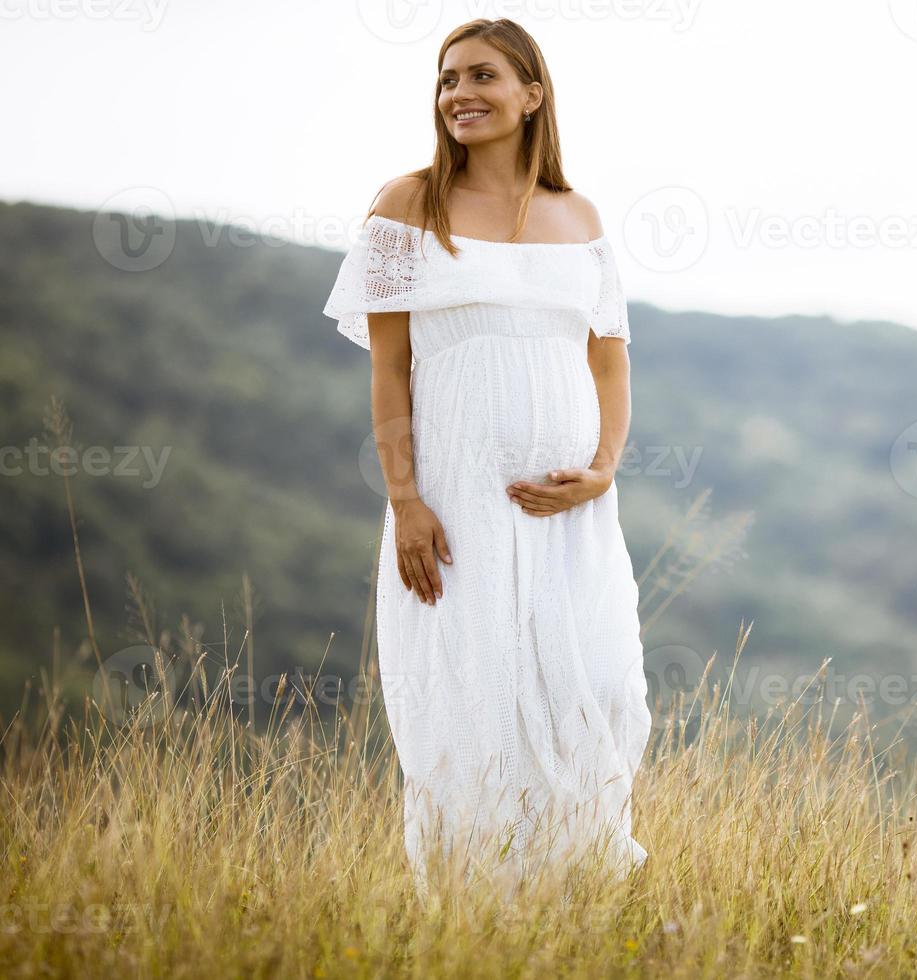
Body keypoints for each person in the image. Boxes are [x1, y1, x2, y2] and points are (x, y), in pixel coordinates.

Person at [322, 17, 651, 899]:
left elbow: (609, 359)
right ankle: (473, 914)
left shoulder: (577, 216)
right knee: (475, 700)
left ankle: (573, 902)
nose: (457, 94)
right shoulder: (405, 206)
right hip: (455, 500)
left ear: (532, 94)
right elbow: (390, 367)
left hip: (571, 511)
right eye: (445, 80)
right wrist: (406, 501)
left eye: (481, 76)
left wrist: (605, 466)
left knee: (598, 688)